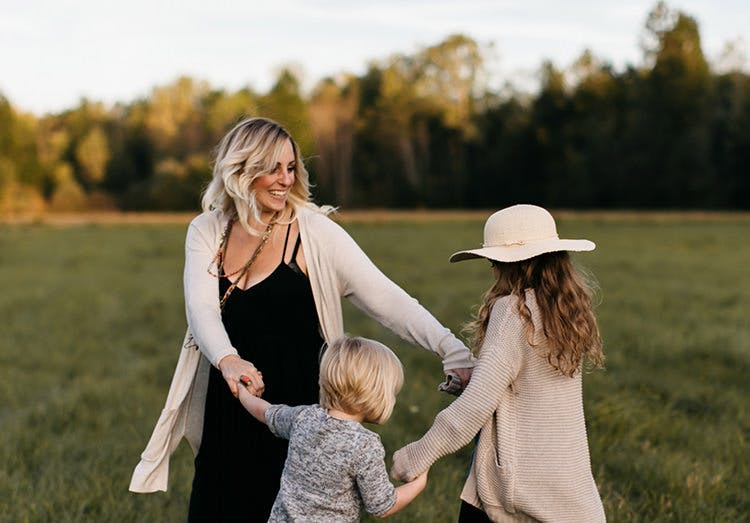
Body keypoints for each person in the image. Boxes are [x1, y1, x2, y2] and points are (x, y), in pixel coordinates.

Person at [128, 117, 474, 521]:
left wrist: (450, 348)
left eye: (291, 167)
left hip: (304, 420)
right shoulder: (207, 230)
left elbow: (385, 298)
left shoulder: (313, 232)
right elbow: (200, 307)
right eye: (273, 168)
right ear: (242, 170)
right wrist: (228, 360)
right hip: (234, 402)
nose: (285, 179)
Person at [391, 204, 606, 523]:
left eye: (494, 262)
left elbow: (473, 410)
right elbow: (528, 386)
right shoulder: (567, 314)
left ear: (511, 265)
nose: (492, 271)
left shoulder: (513, 313)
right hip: (566, 493)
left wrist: (415, 456)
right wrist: (476, 379)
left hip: (516, 498)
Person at [237, 335, 428, 521]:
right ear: (375, 395)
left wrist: (244, 393)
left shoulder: (304, 417)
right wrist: (420, 482)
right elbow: (382, 506)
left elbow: (266, 412)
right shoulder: (365, 446)